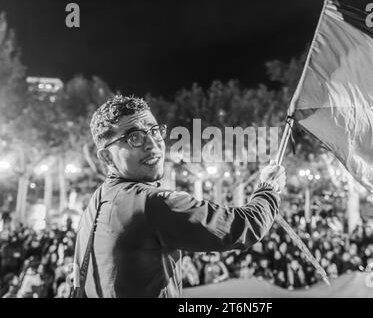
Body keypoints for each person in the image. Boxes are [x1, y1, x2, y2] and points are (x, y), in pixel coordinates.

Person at [73, 95, 286, 298]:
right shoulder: (150, 204)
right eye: (134, 137)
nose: (152, 144)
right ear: (106, 156)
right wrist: (268, 188)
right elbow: (241, 226)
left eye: (154, 131)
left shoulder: (96, 203)